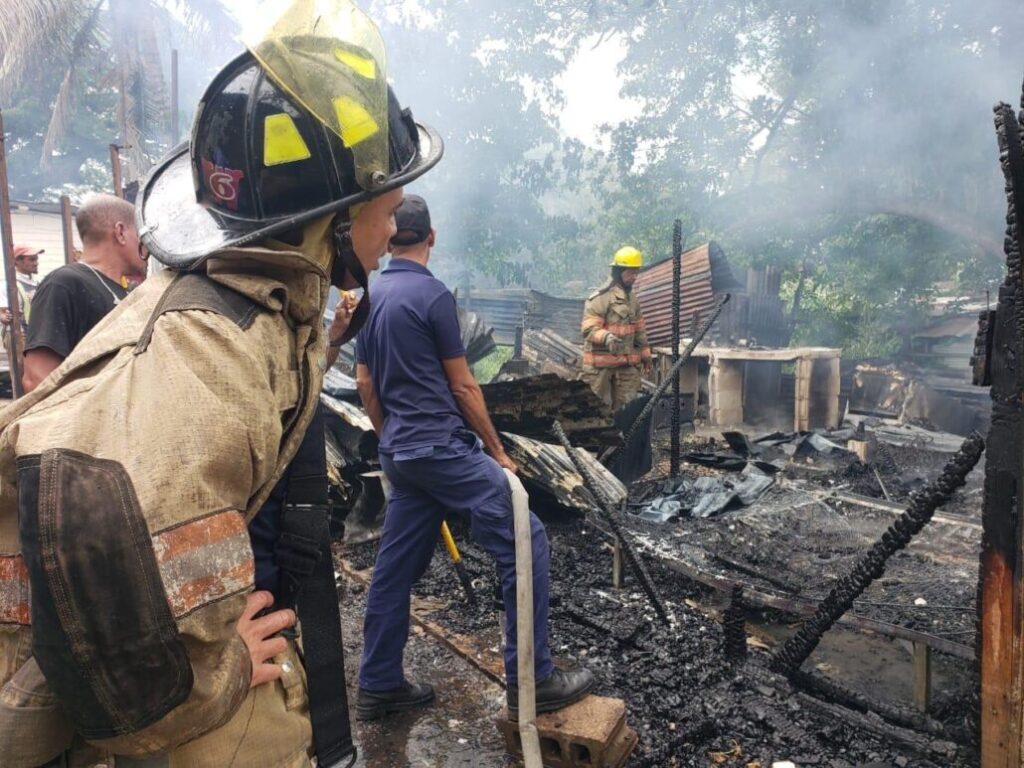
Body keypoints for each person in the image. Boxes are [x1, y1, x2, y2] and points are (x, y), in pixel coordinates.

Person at [0, 2, 443, 766]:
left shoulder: (261, 305)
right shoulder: (213, 344)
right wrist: (208, 672)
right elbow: (80, 507)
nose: (394, 220)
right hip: (123, 698)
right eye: (388, 202)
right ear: (330, 221)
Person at [354, 194, 594, 720]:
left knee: (394, 569)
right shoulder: (434, 297)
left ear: (392, 236)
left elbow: (365, 382)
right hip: (442, 449)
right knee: (525, 536)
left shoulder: (369, 298)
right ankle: (533, 679)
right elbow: (463, 387)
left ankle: (378, 683)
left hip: (403, 454)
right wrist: (499, 451)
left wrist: (389, 436)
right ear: (431, 237)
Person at [21, 194, 147, 392]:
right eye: (140, 234)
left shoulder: (123, 291)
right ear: (121, 232)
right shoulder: (64, 283)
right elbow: (37, 379)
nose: (146, 245)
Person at [581, 246, 653, 411]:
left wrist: (645, 353)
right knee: (593, 410)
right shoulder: (600, 298)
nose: (634, 277)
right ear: (618, 272)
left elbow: (639, 330)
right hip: (600, 368)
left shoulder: (633, 300)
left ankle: (624, 437)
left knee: (628, 411)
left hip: (626, 365)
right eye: (630, 273)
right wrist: (606, 337)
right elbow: (588, 329)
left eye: (636, 273)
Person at [0, 244, 43, 362]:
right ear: (17, 261)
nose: (36, 263)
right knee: (21, 374)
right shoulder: (8, 284)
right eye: (32, 259)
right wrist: (4, 317)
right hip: (19, 335)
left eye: (36, 259)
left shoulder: (37, 284)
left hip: (35, 334)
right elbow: (2, 313)